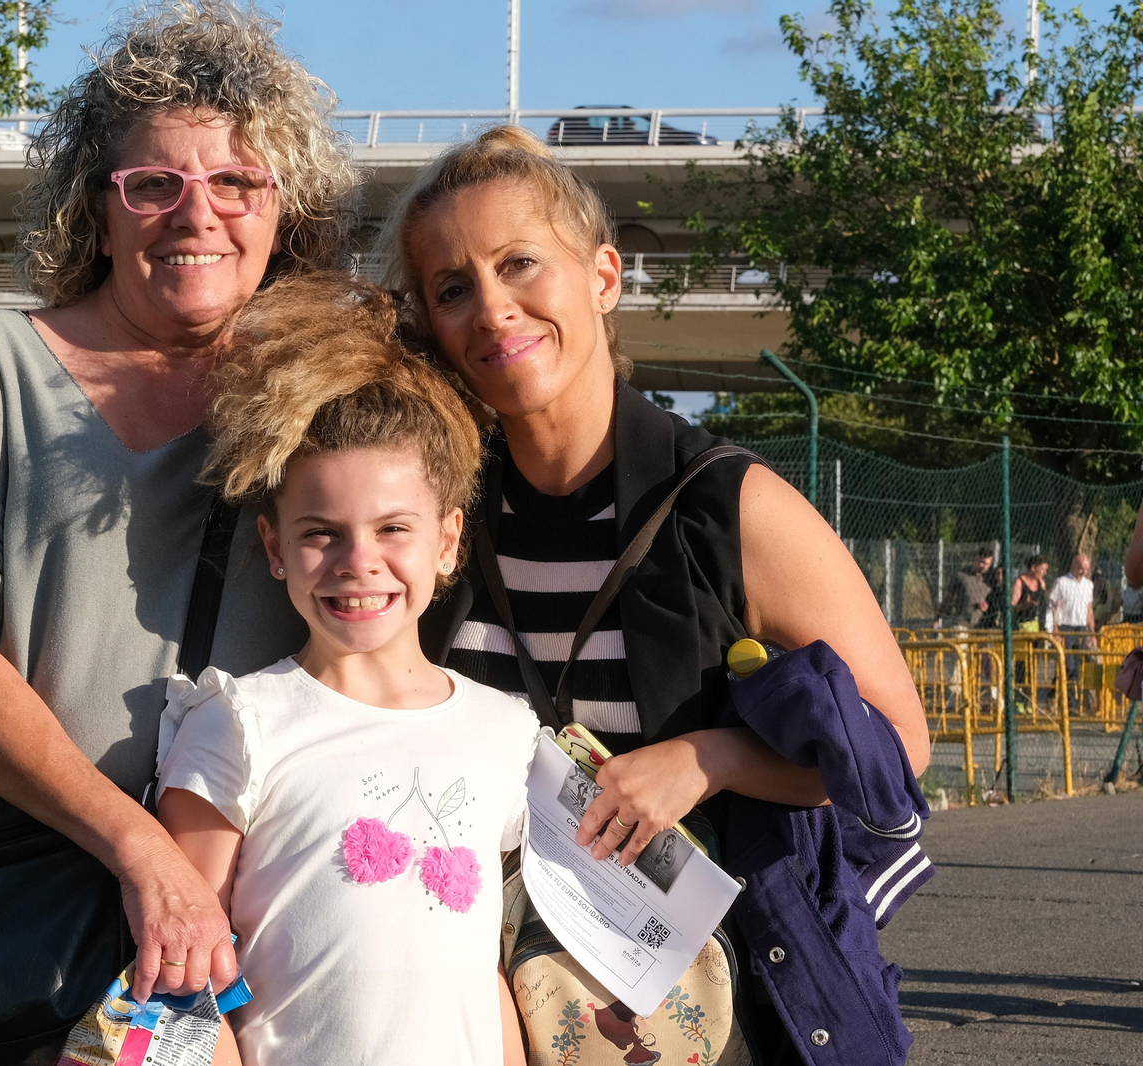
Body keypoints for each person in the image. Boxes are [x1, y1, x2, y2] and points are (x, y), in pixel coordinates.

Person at [0, 5, 357, 1063]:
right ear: (98, 205)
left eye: (237, 183)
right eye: (154, 184)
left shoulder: (322, 389)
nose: (198, 214)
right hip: (15, 901)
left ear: (284, 211)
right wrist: (140, 848)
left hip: (246, 900)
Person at [381, 126, 932, 1065]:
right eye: (453, 288)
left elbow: (896, 747)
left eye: (521, 264)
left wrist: (707, 759)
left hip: (719, 1014)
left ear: (603, 277)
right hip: (482, 1011)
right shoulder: (438, 515)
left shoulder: (730, 506)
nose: (493, 309)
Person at [157, 274, 532, 1066]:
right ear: (274, 549)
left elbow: (479, 970)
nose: (359, 563)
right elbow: (183, 981)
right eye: (322, 532)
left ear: (448, 540)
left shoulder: (505, 732)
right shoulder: (238, 723)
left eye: (394, 527)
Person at [1048, 553, 1095, 700]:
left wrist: (1092, 633)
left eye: (1086, 569)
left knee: (1078, 665)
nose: (1084, 572)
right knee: (1068, 664)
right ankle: (1065, 698)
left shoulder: (1088, 585)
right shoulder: (1061, 582)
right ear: (1074, 566)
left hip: (1081, 628)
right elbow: (1052, 607)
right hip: (1066, 627)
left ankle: (1071, 698)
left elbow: (1089, 609)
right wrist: (1055, 630)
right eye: (1081, 568)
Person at [939, 545, 996, 628]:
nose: (983, 566)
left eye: (986, 564)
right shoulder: (960, 576)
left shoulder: (991, 579)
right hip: (962, 624)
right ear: (975, 559)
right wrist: (937, 619)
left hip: (983, 625)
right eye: (981, 562)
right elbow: (947, 598)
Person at [1010, 554, 1050, 631]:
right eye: (1043, 569)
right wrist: (1024, 605)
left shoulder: (1041, 583)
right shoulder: (1019, 582)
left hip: (1040, 624)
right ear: (1033, 568)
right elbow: (1012, 607)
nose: (1045, 573)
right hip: (1024, 624)